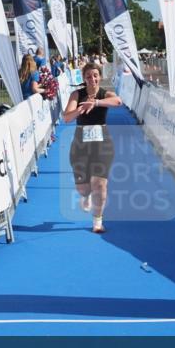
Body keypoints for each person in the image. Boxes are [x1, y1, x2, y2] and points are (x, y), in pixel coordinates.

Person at [62, 62, 122, 234]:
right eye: (88, 76)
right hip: (80, 144)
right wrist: (81, 108)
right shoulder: (77, 94)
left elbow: (118, 101)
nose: (92, 79)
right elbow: (66, 117)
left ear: (100, 77)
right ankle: (86, 196)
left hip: (102, 144)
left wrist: (95, 103)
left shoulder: (105, 94)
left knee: (100, 184)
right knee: (84, 188)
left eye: (95, 75)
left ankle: (97, 222)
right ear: (84, 78)